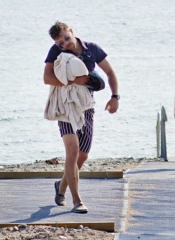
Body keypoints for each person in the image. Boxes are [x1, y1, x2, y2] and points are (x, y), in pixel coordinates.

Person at [43, 21, 120, 214]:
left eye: (66, 38)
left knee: (83, 155)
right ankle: (77, 200)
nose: (65, 44)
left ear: (71, 31)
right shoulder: (55, 52)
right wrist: (73, 80)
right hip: (65, 105)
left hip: (86, 106)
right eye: (60, 43)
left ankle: (61, 186)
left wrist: (115, 97)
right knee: (73, 150)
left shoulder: (91, 49)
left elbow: (110, 72)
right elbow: (47, 78)